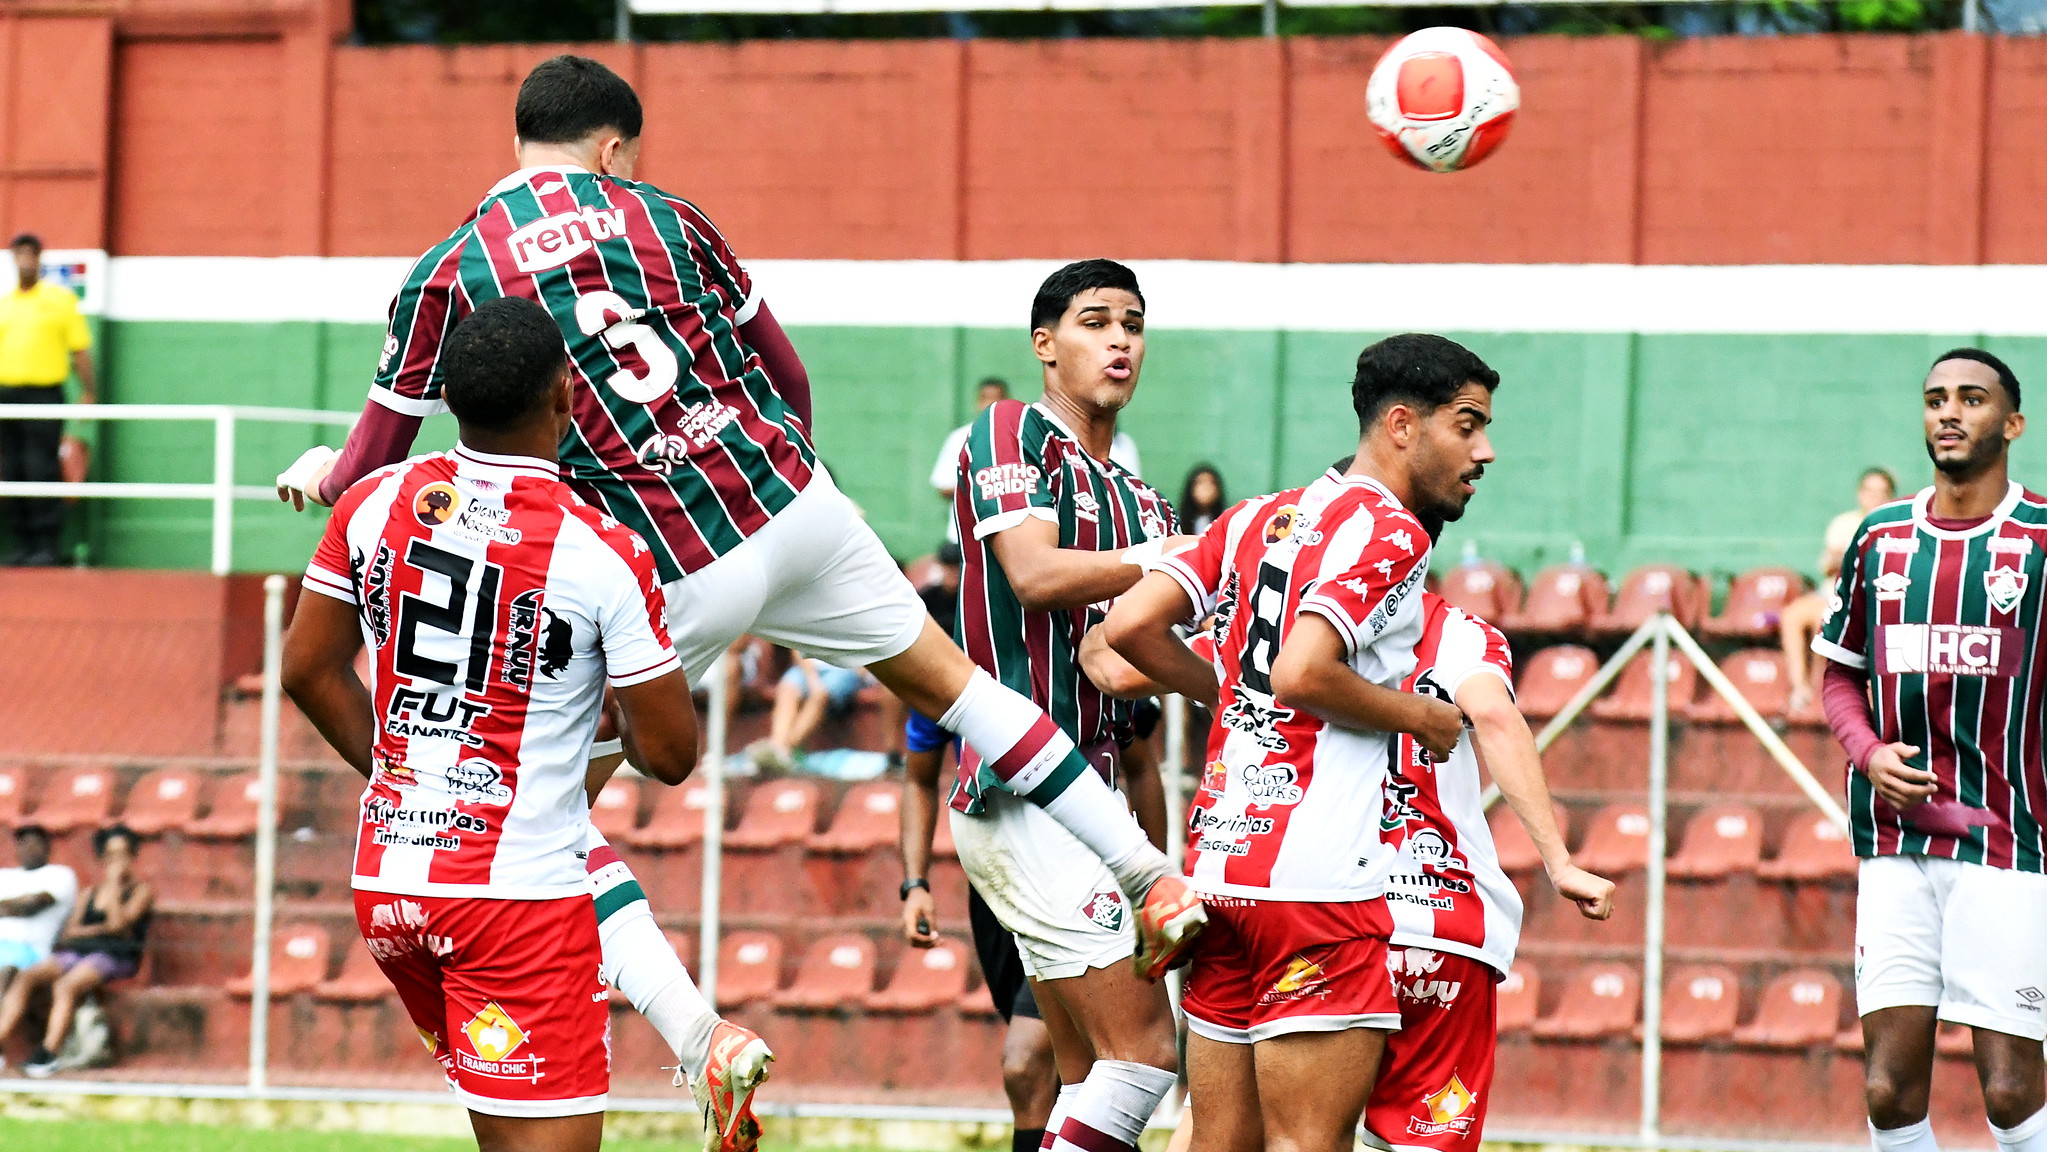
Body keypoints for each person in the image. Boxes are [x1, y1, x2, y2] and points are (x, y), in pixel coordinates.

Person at [271, 55, 1190, 1034]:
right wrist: (793, 481)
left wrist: (321, 472)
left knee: (537, 813)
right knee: (960, 691)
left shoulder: (447, 271)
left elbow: (374, 461)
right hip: (790, 497)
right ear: (612, 150)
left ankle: (696, 1035)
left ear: (521, 143)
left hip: (673, 561)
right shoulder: (672, 218)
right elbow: (785, 373)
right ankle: (1150, 876)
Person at [282, 297, 715, 1152]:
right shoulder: (605, 549)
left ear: (446, 396)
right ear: (565, 394)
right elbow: (669, 754)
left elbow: (306, 669)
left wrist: (409, 777)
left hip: (390, 888)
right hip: (515, 903)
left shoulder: (372, 499)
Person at [1095, 333, 1501, 1152]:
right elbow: (1302, 671)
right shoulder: (1394, 533)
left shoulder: (1257, 514)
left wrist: (1223, 693)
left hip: (1222, 872)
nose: (1483, 451)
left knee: (1217, 1143)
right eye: (1467, 426)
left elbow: (1127, 627)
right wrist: (1417, 717)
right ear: (1400, 425)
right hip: (1318, 888)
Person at [948, 259, 1198, 1152]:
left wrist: (1220, 673)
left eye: (1132, 323)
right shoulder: (1011, 431)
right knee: (1146, 1058)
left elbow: (1117, 668)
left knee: (1084, 1073)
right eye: (1095, 322)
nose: (1120, 340)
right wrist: (1173, 560)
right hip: (1024, 793)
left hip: (1098, 803)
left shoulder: (1145, 502)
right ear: (1045, 345)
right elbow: (1032, 573)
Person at [1812, 348, 2047, 1152]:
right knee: (1886, 1091)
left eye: (1971, 399)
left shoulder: (2040, 539)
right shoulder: (1880, 538)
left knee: (2010, 1093)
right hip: (1893, 842)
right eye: (1935, 398)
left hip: (2007, 840)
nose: (1948, 412)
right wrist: (1868, 753)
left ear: (2012, 424)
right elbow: (1838, 676)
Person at [1362, 591, 1613, 1152]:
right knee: (1422, 1142)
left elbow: (1151, 658)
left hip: (1325, 917)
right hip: (1447, 921)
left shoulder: (1285, 620)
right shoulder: (1457, 630)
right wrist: (1560, 862)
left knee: (1272, 1129)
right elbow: (1496, 716)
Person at [0, 824, 151, 1077]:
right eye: (111, 855)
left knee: (67, 985)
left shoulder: (141, 891)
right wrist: (100, 929)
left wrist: (114, 886)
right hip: (79, 952)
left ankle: (48, 1053)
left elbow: (119, 926)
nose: (116, 861)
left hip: (115, 956)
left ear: (133, 856)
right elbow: (70, 932)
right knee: (29, 975)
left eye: (122, 854)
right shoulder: (90, 893)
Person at [0, 233, 95, 567]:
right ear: (12, 259)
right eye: (20, 254)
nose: (25, 260)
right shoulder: (5, 304)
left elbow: (80, 350)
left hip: (43, 395)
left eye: (31, 254)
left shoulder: (59, 301)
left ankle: (46, 544)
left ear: (40, 258)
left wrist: (88, 391)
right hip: (7, 396)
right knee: (10, 468)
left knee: (40, 465)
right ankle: (24, 543)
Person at [1785, 466, 1897, 712]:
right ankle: (1800, 689)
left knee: (1827, 624)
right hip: (1833, 593)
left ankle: (1823, 694)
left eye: (1881, 492)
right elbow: (1829, 566)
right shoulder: (1843, 523)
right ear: (1860, 493)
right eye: (1870, 491)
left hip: (1872, 599)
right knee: (1793, 614)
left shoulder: (1897, 525)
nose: (1875, 497)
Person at [748, 653, 877, 772]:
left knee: (819, 694)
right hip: (808, 667)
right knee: (787, 688)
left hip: (844, 670)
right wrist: (812, 678)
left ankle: (781, 751)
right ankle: (778, 747)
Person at [0, 826, 75, 1001]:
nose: (29, 848)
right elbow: (24, 904)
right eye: (23, 843)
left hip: (33, 951)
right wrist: (17, 904)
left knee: (7, 969)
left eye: (35, 843)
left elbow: (32, 905)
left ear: (48, 848)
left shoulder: (60, 875)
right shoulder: (4, 876)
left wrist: (8, 905)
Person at [1177, 464, 1227, 537]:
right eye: (1200, 483)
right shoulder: (1178, 522)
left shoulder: (1226, 522)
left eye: (1211, 483)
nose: (1206, 487)